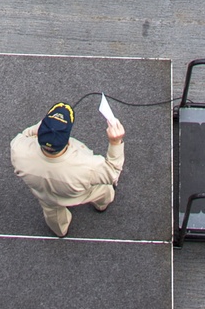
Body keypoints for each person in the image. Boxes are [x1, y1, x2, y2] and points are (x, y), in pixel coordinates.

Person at [11, 101, 125, 239]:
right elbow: (113, 172)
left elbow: (26, 134)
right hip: (80, 194)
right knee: (104, 190)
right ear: (66, 139)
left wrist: (47, 127)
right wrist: (115, 142)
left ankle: (60, 231)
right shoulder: (87, 166)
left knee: (54, 218)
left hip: (45, 196)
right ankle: (101, 206)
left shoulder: (18, 149)